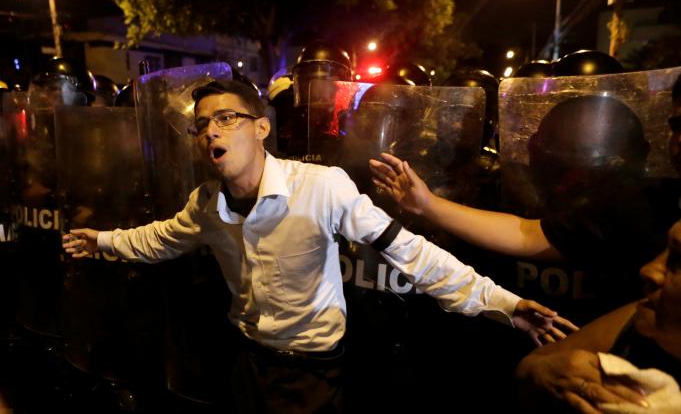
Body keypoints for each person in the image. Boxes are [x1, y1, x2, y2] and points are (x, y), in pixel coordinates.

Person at [63, 79, 573, 414]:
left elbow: (412, 253)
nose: (209, 132)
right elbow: (158, 238)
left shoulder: (322, 188)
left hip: (311, 378)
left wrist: (504, 305)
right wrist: (103, 240)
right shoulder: (205, 205)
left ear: (262, 128)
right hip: (245, 364)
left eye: (226, 119)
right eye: (201, 126)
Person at [370, 93, 675, 324]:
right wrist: (427, 204)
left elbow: (528, 236)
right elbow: (526, 232)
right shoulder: (503, 183)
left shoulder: (637, 204)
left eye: (586, 161)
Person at [515, 218, 681, 413]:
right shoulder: (641, 317)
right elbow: (530, 367)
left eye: (677, 260)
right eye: (666, 249)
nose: (648, 271)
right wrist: (543, 372)